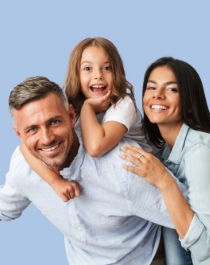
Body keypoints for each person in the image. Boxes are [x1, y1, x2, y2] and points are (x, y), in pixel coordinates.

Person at [0, 76, 189, 265]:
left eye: (54, 122)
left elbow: (197, 219)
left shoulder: (123, 168)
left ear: (70, 115)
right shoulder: (24, 167)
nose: (46, 139)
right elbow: (4, 209)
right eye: (32, 129)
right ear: (18, 133)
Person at [120, 57, 210, 265]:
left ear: (189, 99)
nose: (158, 95)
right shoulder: (166, 152)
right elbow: (179, 264)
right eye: (151, 87)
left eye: (172, 89)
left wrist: (164, 182)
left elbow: (202, 247)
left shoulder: (200, 153)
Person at [20, 37, 153, 202]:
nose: (98, 76)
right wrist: (55, 182)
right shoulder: (69, 105)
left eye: (106, 68)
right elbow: (25, 148)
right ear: (76, 74)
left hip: (147, 175)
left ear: (116, 73)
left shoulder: (123, 104)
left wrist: (88, 108)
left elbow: (96, 148)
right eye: (88, 68)